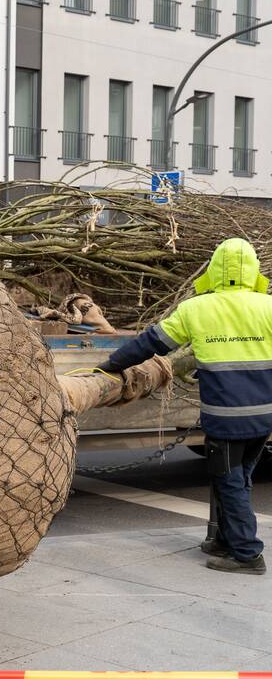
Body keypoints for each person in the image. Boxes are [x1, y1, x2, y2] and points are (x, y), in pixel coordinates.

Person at [97, 237, 269, 575]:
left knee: (229, 480)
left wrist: (111, 365)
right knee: (239, 478)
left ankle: (247, 554)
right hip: (264, 416)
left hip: (225, 418)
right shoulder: (269, 306)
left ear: (214, 270)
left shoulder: (196, 309)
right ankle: (226, 539)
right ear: (253, 270)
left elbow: (151, 343)